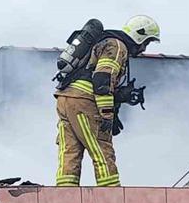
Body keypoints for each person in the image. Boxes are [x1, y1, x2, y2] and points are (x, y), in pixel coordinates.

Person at [54, 15, 160, 187]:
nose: (144, 49)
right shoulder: (117, 46)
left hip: (66, 98)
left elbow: (92, 77)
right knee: (102, 149)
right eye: (146, 42)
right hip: (84, 102)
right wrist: (107, 114)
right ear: (139, 36)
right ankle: (111, 195)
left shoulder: (103, 42)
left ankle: (66, 194)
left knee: (70, 151)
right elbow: (102, 79)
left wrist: (121, 95)